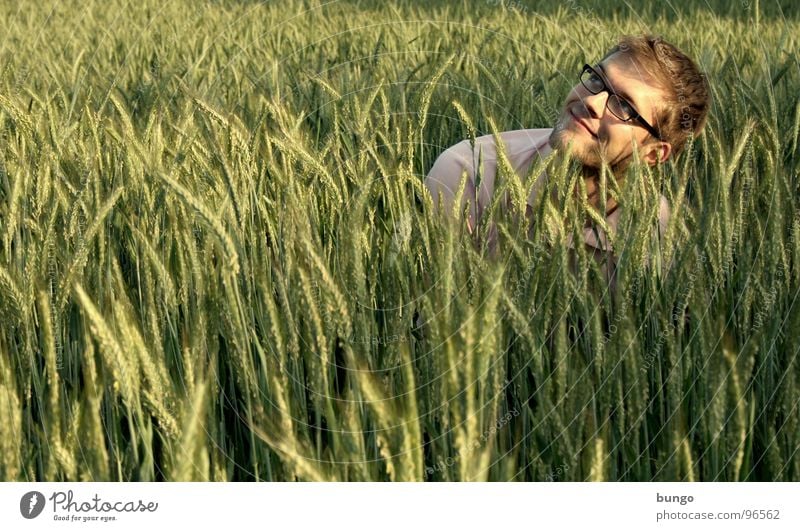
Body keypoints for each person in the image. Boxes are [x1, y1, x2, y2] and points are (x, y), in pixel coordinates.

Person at [424, 34, 711, 289]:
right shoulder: (469, 175)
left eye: (624, 105)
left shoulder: (658, 234)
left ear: (652, 154)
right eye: (597, 79)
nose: (592, 101)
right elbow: (430, 320)